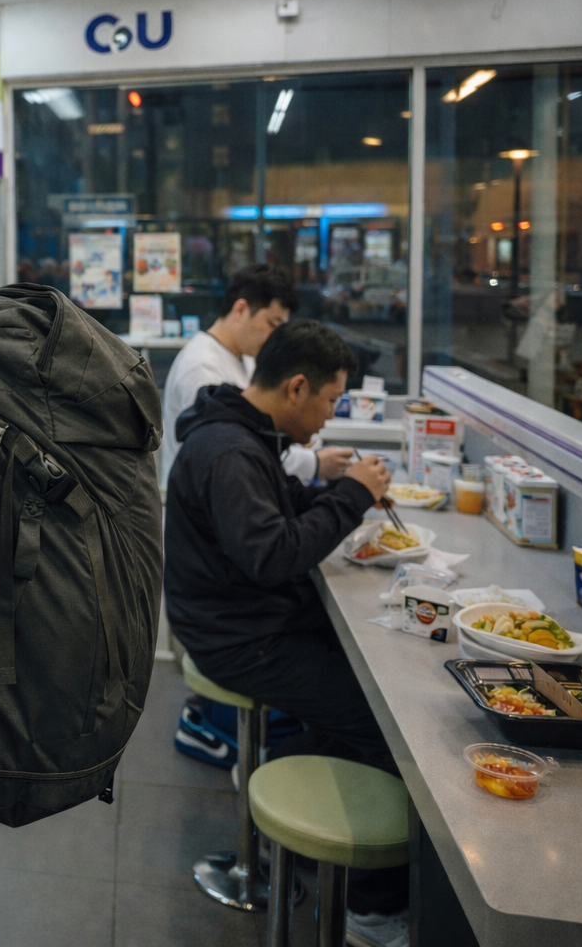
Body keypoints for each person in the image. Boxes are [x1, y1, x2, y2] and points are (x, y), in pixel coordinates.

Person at [162, 319, 410, 940]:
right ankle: (373, 910)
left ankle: (286, 787)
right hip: (235, 637)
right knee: (386, 722)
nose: (329, 418)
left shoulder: (246, 433)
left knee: (356, 686)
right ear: (297, 387)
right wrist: (349, 496)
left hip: (244, 618)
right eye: (329, 401)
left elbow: (273, 514)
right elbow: (271, 554)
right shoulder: (231, 450)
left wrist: (331, 493)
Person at [160, 265, 355, 488]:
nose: (275, 336)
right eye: (273, 323)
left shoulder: (247, 358)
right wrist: (314, 462)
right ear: (241, 309)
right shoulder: (202, 368)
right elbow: (231, 448)